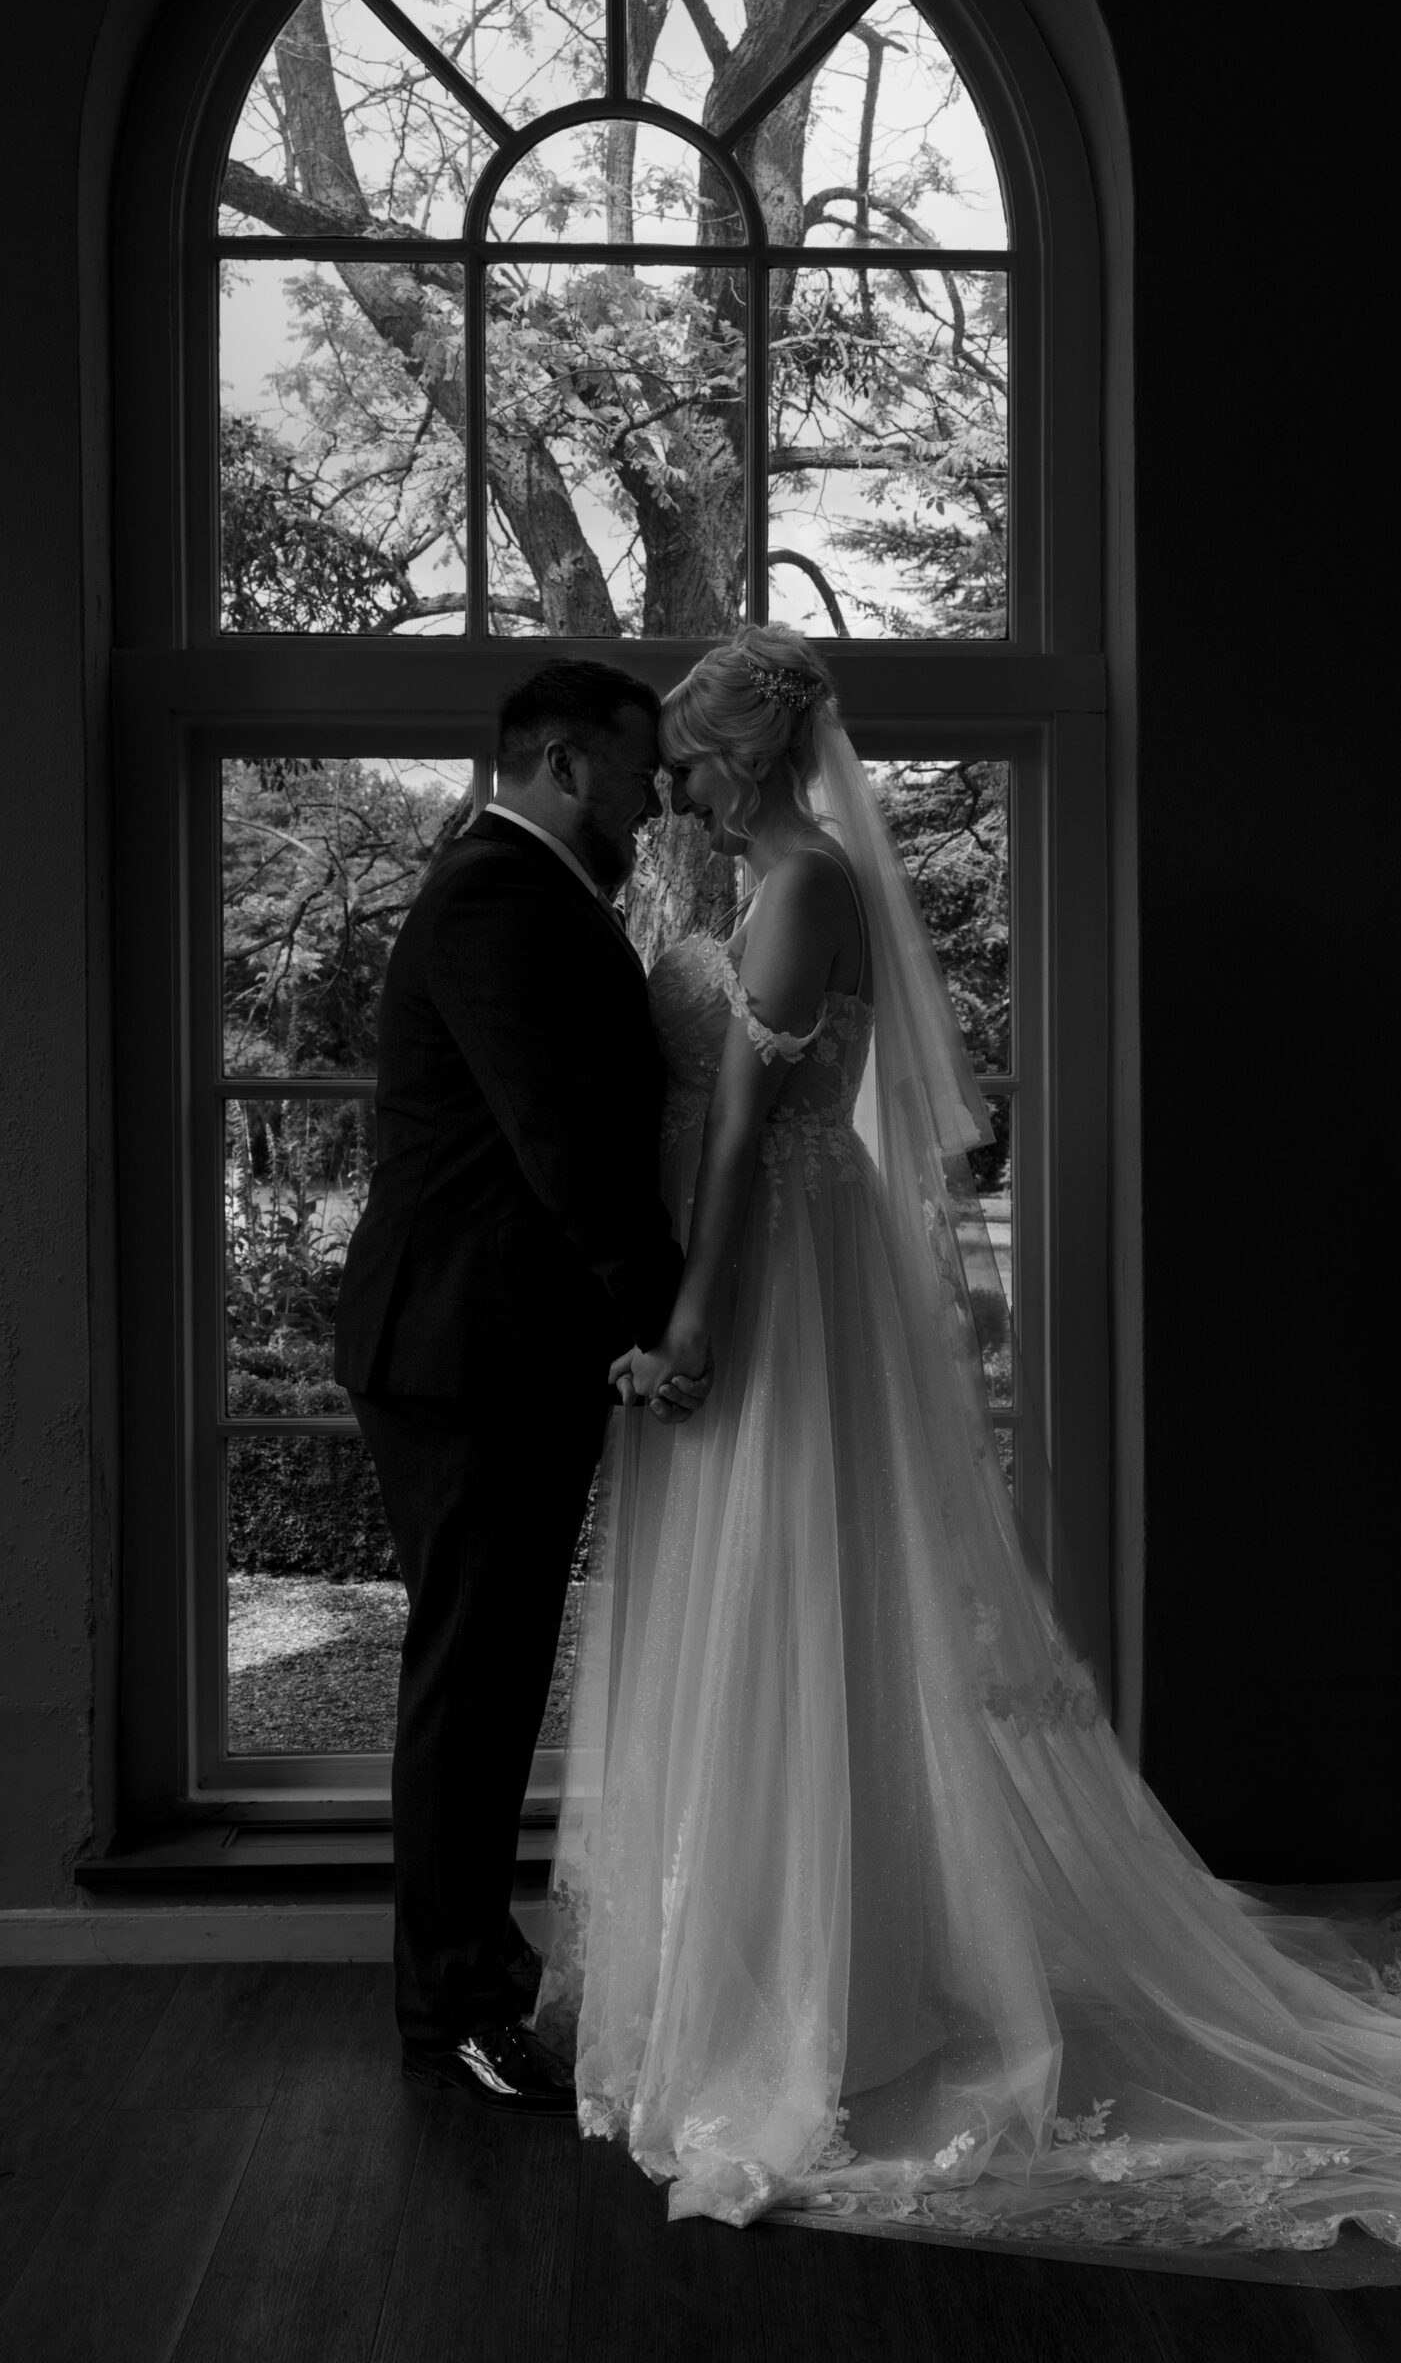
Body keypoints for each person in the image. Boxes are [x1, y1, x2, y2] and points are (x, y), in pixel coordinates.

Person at [535, 626, 1401, 2272]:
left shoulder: (797, 888)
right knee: (758, 1603)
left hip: (780, 1274)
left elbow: (739, 1122)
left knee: (791, 1591)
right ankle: (772, 1964)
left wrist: (697, 1312)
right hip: (773, 1255)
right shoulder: (756, 884)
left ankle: (811, 2001)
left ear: (746, 756)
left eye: (691, 763)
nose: (675, 792)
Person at [335, 656, 708, 2113]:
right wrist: (675, 1319)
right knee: (474, 1686)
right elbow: (566, 1147)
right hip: (465, 1353)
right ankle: (455, 2009)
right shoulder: (499, 895)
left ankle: (472, 1969)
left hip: (489, 1348)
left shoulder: (530, 890)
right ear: (562, 761)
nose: (652, 797)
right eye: (632, 772)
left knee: (482, 1678)